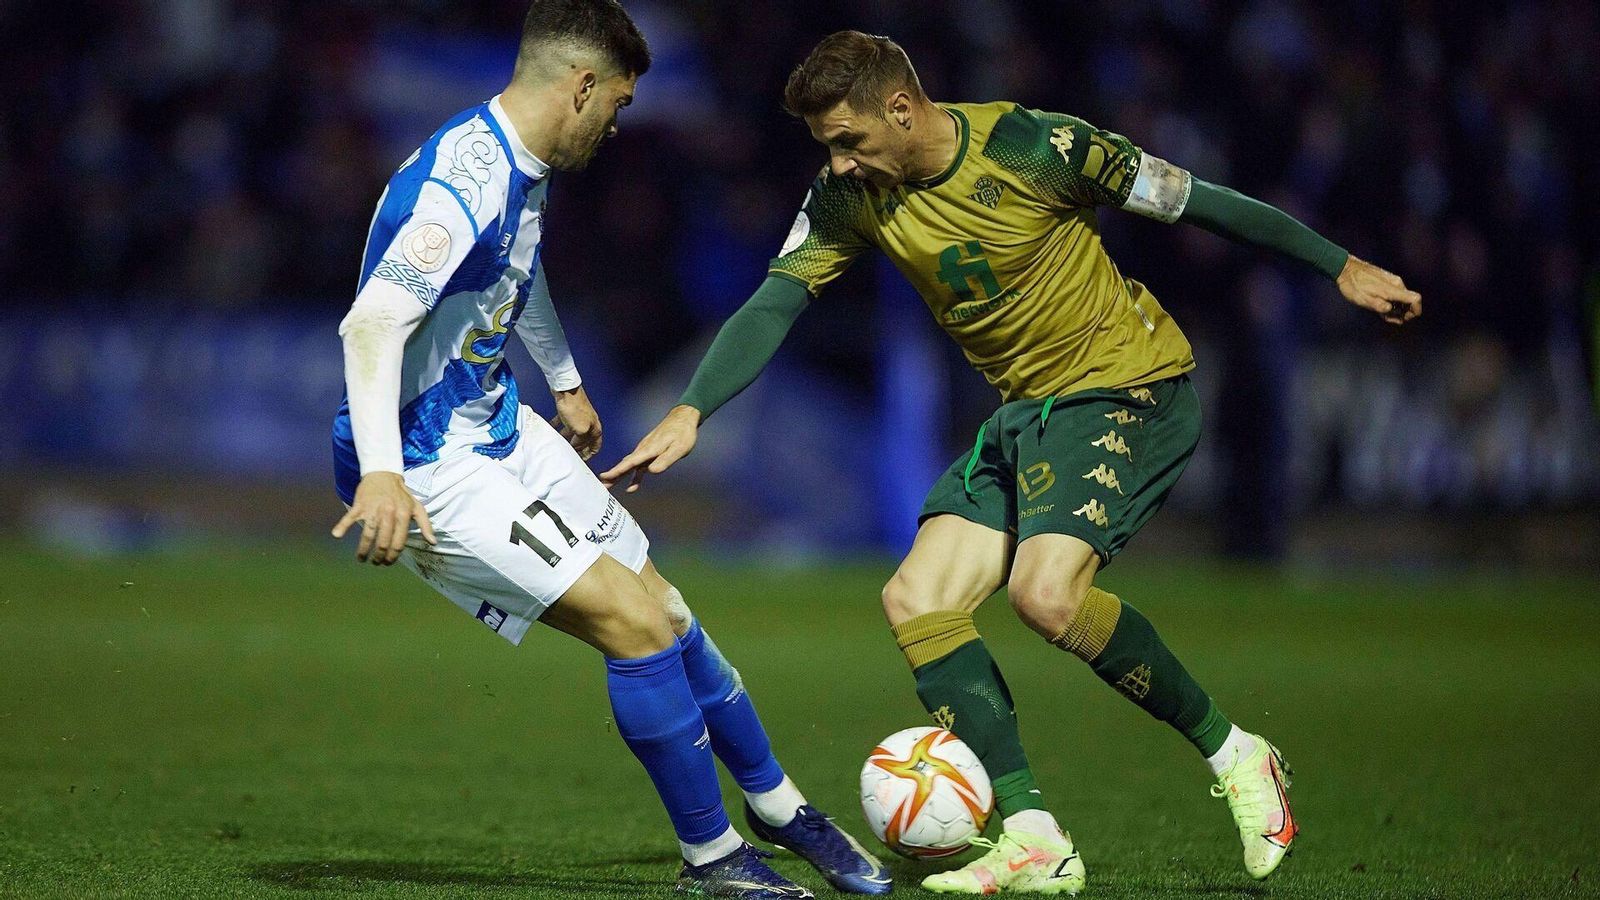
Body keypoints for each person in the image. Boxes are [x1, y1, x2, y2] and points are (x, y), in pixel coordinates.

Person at [603, 30, 1421, 896]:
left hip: (1126, 385)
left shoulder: (1035, 146)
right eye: (826, 149)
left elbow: (1193, 199)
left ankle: (1241, 755)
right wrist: (694, 408)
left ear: (902, 108)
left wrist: (1340, 266)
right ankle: (1034, 836)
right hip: (1027, 415)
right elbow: (778, 299)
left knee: (1045, 594)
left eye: (849, 141)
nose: (839, 165)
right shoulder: (849, 199)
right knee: (916, 598)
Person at [328, 6, 887, 897]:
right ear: (581, 86)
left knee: (668, 613)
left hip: (499, 425)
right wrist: (386, 473)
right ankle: (712, 861)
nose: (618, 124)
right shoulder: (458, 181)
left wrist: (564, 376)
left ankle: (778, 807)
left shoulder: (523, 164)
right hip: (431, 465)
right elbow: (371, 323)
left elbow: (519, 264)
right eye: (619, 104)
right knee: (631, 628)